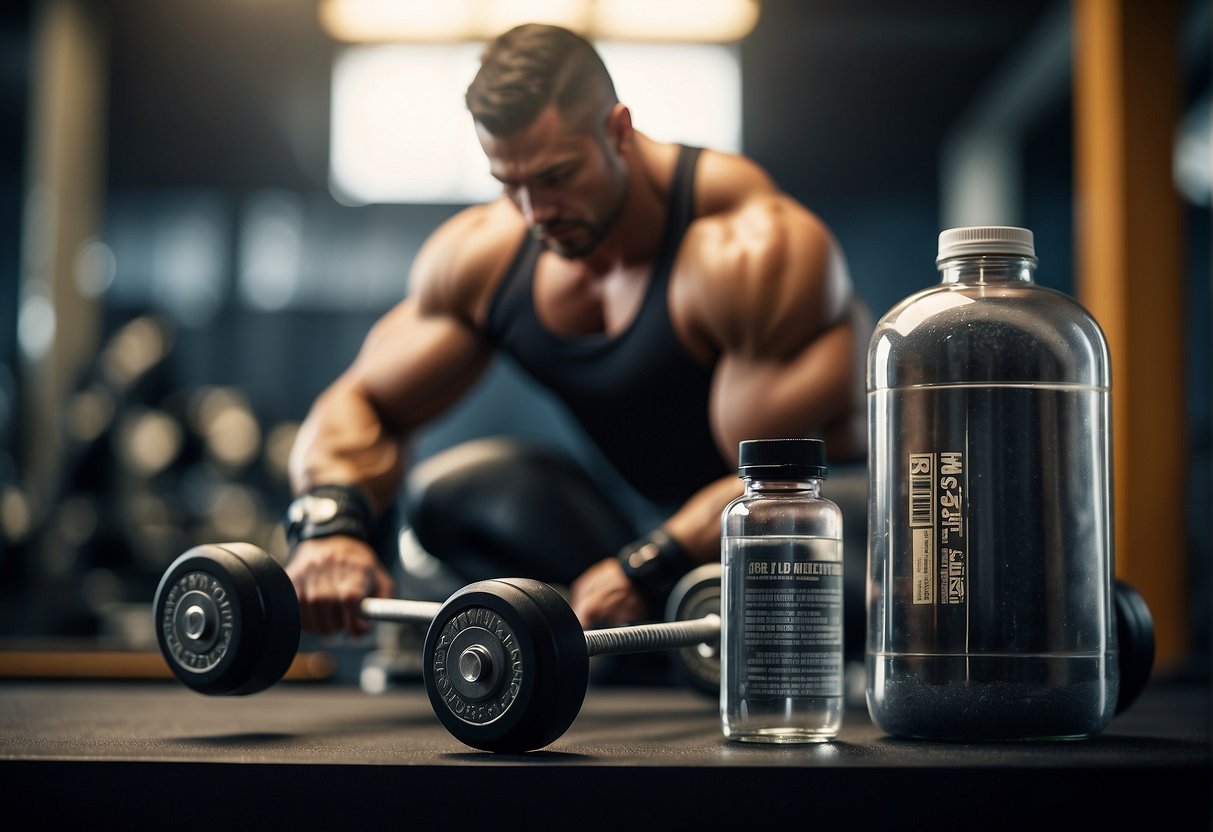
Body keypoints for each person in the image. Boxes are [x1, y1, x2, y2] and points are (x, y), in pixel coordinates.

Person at [283, 23, 868, 640]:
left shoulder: (746, 247)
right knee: (451, 497)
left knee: (818, 527)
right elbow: (361, 400)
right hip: (642, 534)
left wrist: (648, 565)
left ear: (619, 131)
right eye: (510, 184)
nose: (537, 213)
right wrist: (331, 528)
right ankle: (638, 648)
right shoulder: (487, 257)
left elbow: (776, 483)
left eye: (557, 176)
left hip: (809, 538)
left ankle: (660, 636)